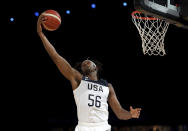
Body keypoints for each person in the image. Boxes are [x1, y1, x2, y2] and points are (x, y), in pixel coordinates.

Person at [37, 14, 141, 131]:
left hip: (103, 127)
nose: (85, 62)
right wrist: (41, 35)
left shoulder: (108, 87)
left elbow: (120, 113)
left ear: (95, 68)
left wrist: (130, 114)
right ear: (82, 71)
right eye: (83, 63)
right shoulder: (77, 79)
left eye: (88, 61)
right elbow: (55, 56)